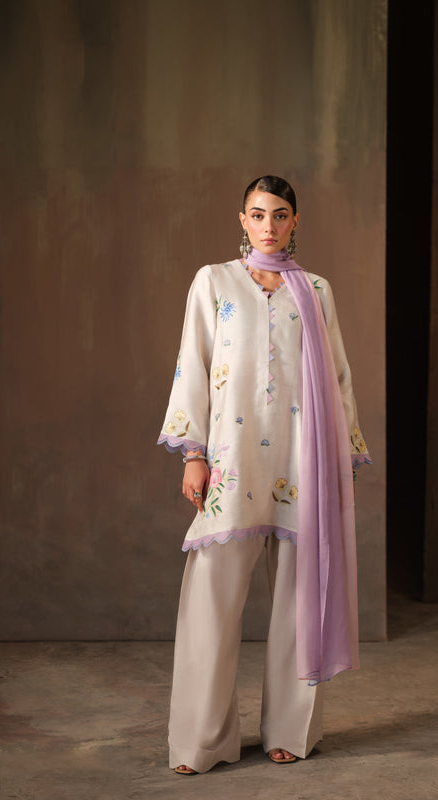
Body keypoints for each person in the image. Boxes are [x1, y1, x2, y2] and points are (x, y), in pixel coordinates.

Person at [158, 175, 371, 774]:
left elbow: (338, 377)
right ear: (242, 219)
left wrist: (343, 457)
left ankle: (290, 731)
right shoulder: (214, 281)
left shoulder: (316, 290)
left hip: (304, 457)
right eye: (258, 214)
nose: (268, 225)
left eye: (280, 214)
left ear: (295, 221)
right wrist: (194, 453)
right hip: (233, 459)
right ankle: (200, 741)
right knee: (211, 600)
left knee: (301, 597)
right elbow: (193, 363)